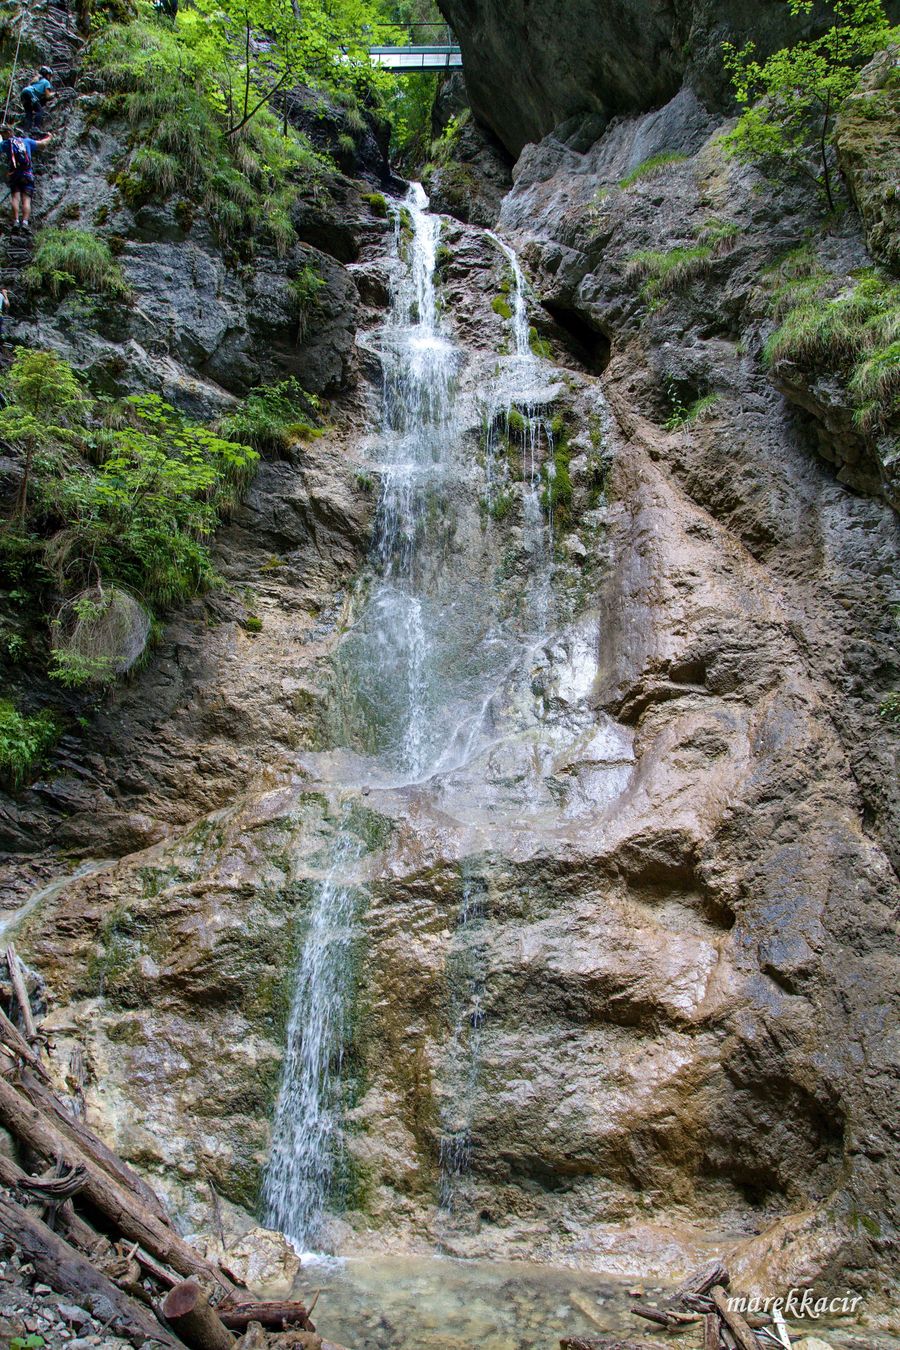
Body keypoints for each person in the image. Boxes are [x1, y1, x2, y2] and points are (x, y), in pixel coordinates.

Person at [0, 126, 53, 230]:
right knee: (26, 200)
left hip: (15, 174)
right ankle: (25, 222)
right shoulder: (27, 141)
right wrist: (50, 137)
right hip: (28, 174)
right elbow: (42, 144)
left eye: (3, 134)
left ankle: (15, 221)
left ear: (7, 133)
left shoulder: (6, 144)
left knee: (15, 198)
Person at [20, 67, 54, 133]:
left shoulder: (37, 81)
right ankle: (36, 128)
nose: (50, 77)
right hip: (30, 93)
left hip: (24, 93)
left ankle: (26, 132)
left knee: (29, 114)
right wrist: (55, 94)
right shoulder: (46, 82)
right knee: (40, 111)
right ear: (47, 75)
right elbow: (48, 96)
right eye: (50, 75)